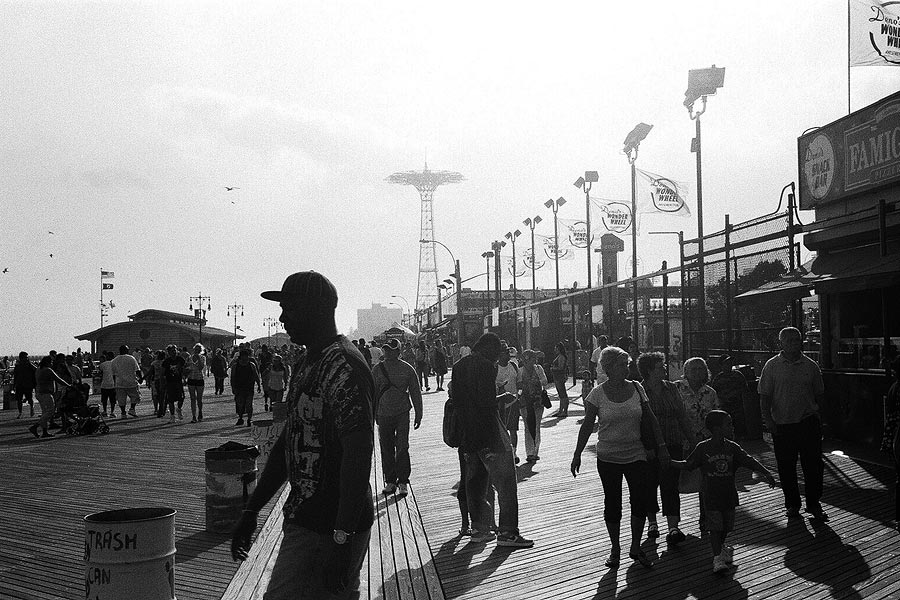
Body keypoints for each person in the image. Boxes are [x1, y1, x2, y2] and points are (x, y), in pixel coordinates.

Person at [231, 271, 375, 598]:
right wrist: (252, 510)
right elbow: (289, 441)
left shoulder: (344, 366)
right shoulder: (310, 361)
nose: (281, 318)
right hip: (305, 518)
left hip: (331, 526)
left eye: (289, 308)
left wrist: (341, 537)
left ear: (315, 309)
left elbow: (358, 453)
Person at [571, 346, 668, 569]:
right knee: (613, 503)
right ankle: (615, 548)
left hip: (636, 453)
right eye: (622, 365)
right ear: (608, 368)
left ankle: (635, 546)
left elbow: (651, 419)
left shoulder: (637, 388)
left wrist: (661, 446)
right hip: (608, 456)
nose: (627, 368)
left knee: (640, 500)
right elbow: (587, 426)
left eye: (627, 364)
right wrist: (577, 454)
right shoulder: (597, 394)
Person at [452, 332, 533, 547]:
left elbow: (460, 399)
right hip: (489, 432)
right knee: (506, 483)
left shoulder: (459, 366)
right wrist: (502, 399)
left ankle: (479, 528)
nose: (499, 358)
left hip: (468, 434)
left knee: (475, 483)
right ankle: (507, 533)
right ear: (489, 350)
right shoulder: (486, 366)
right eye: (497, 353)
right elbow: (486, 403)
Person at [671, 410, 776, 573]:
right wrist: (670, 463)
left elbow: (749, 460)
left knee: (726, 526)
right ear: (717, 428)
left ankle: (720, 548)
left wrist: (766, 472)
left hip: (728, 494)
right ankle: (717, 558)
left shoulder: (732, 448)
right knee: (715, 527)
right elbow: (688, 464)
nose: (732, 427)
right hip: (711, 495)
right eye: (729, 424)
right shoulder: (703, 447)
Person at [759, 326, 828, 521]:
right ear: (781, 342)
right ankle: (792, 504)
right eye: (788, 340)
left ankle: (814, 503)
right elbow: (764, 396)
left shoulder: (810, 365)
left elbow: (820, 394)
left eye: (796, 339)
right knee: (786, 467)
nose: (793, 343)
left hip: (808, 422)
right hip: (782, 424)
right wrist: (769, 421)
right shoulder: (772, 366)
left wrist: (820, 418)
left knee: (813, 466)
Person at [638, 352, 694, 545]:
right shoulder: (639, 390)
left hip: (672, 442)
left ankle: (673, 526)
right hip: (649, 446)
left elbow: (681, 415)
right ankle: (652, 522)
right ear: (649, 370)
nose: (664, 369)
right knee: (649, 483)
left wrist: (693, 441)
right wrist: (645, 446)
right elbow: (638, 422)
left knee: (670, 484)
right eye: (659, 366)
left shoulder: (670, 388)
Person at [676, 356, 720, 533]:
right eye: (692, 369)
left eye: (700, 369)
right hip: (681, 441)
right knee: (677, 480)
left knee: (707, 482)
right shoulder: (676, 388)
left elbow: (717, 415)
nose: (697, 372)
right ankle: (674, 523)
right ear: (685, 372)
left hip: (705, 442)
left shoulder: (710, 392)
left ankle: (705, 519)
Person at [373, 338, 422, 496]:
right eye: (386, 349)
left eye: (391, 349)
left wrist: (419, 414)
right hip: (383, 413)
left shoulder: (407, 369)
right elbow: (372, 394)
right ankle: (390, 481)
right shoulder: (377, 369)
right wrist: (373, 414)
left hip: (402, 412)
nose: (387, 352)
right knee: (386, 448)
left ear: (398, 351)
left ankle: (403, 481)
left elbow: (415, 392)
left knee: (402, 447)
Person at [516, 349, 548, 464]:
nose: (533, 361)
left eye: (534, 358)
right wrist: (519, 395)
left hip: (538, 402)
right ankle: (529, 453)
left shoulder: (539, 369)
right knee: (528, 427)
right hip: (525, 403)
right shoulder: (520, 371)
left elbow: (545, 382)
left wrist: (537, 381)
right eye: (531, 359)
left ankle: (535, 452)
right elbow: (518, 387)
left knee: (537, 427)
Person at [29, 356, 72, 438]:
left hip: (39, 393)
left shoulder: (39, 369)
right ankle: (35, 426)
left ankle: (45, 432)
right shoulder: (47, 370)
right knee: (50, 412)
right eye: (51, 362)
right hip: (46, 394)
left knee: (45, 413)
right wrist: (68, 385)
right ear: (48, 362)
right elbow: (58, 379)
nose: (52, 363)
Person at [711, 355, 749, 439]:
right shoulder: (718, 378)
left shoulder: (738, 375)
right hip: (725, 409)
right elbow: (714, 394)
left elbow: (745, 389)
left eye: (730, 363)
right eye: (726, 363)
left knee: (740, 431)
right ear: (721, 365)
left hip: (738, 408)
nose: (729, 365)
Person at [495, 345, 521, 462]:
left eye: (508, 352)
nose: (508, 354)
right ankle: (503, 453)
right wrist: (500, 388)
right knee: (502, 430)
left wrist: (519, 395)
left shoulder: (514, 366)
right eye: (505, 352)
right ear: (499, 355)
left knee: (513, 429)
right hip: (500, 403)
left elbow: (519, 382)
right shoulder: (495, 368)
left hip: (514, 402)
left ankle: (513, 453)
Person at [230, 347, 262, 426]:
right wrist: (233, 388)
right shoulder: (235, 366)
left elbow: (256, 375)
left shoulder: (251, 365)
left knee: (249, 404)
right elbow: (232, 377)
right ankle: (240, 418)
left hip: (249, 388)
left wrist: (258, 385)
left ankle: (249, 419)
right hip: (239, 388)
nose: (246, 358)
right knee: (240, 405)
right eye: (245, 356)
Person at [111, 344, 143, 418]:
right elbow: (137, 370)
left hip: (119, 383)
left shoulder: (114, 360)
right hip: (131, 382)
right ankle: (132, 409)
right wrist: (140, 378)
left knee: (121, 399)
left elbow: (113, 374)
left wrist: (114, 383)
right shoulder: (131, 358)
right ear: (126, 350)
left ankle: (123, 413)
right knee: (135, 397)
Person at [159, 345, 186, 422]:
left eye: (175, 350)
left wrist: (184, 377)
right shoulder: (166, 361)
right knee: (170, 400)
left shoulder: (180, 359)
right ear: (168, 352)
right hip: (170, 382)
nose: (174, 352)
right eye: (172, 351)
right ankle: (172, 416)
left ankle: (179, 409)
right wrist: (162, 384)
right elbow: (162, 373)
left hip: (178, 381)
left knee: (182, 398)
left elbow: (184, 368)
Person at [12, 351, 36, 419]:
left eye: (27, 357)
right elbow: (15, 376)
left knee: (29, 398)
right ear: (21, 358)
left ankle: (32, 408)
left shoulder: (29, 365)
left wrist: (30, 363)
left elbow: (36, 370)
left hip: (28, 384)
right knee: (19, 399)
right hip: (19, 384)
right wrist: (14, 386)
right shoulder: (17, 366)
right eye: (25, 357)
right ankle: (20, 412)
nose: (26, 359)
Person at [186, 343, 206, 423]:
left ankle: (200, 412)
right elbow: (186, 367)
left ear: (200, 350)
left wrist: (198, 358)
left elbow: (201, 367)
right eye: (195, 349)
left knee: (199, 399)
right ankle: (194, 416)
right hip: (191, 378)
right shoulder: (189, 358)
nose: (196, 351)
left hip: (199, 379)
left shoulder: (203, 357)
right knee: (192, 398)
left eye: (198, 349)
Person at [550, 342, 569, 417]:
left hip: (560, 377)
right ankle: (561, 410)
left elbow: (561, 367)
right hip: (557, 377)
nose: (555, 349)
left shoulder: (561, 357)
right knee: (561, 394)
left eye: (556, 348)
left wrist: (553, 368)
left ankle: (565, 411)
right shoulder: (559, 356)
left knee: (563, 394)